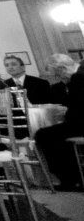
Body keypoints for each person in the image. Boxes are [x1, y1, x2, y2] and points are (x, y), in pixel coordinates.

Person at [34, 54, 84, 190]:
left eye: (57, 75)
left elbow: (78, 108)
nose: (59, 79)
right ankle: (74, 176)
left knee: (43, 135)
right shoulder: (79, 75)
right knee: (55, 135)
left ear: (62, 69)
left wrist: (66, 111)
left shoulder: (78, 78)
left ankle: (69, 178)